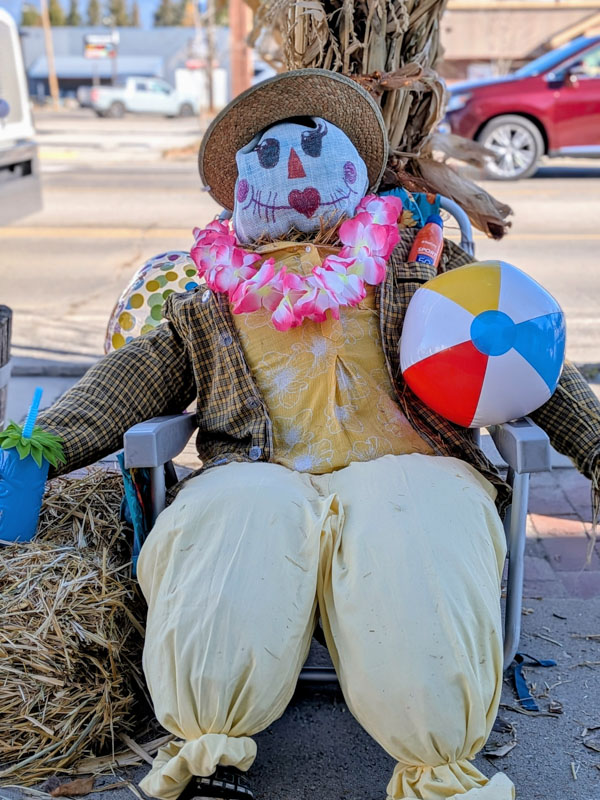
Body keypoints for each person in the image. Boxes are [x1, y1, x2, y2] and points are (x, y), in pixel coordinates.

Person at [30, 70, 599, 800]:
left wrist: (593, 444)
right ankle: (210, 754)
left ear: (356, 173)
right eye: (268, 158)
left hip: (414, 459)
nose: (296, 171)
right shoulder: (209, 300)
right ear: (240, 190)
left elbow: (516, 339)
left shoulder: (417, 261)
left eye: (315, 150)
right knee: (234, 521)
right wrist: (34, 447)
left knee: (412, 529)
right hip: (261, 466)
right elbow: (131, 380)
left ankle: (439, 767)